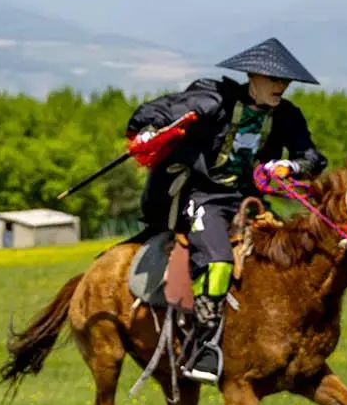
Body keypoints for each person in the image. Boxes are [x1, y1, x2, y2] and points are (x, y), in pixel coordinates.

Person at [126, 38, 327, 383]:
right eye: (273, 79)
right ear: (252, 76)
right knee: (218, 261)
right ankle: (203, 347)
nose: (281, 87)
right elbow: (153, 112)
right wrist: (147, 130)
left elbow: (312, 158)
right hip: (202, 195)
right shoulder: (212, 99)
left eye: (285, 81)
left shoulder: (288, 116)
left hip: (249, 199)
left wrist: (289, 167)